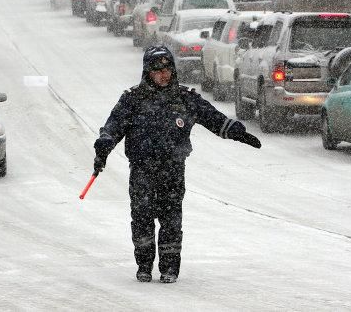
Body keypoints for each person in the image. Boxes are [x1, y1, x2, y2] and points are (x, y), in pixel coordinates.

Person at [93, 46, 261, 284]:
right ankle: (144, 265)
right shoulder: (132, 99)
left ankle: (169, 268)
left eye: (168, 69)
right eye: (158, 70)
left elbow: (213, 118)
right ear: (147, 72)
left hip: (172, 170)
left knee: (171, 219)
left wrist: (237, 132)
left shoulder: (185, 99)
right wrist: (103, 149)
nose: (164, 74)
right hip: (142, 169)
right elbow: (112, 128)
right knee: (142, 218)